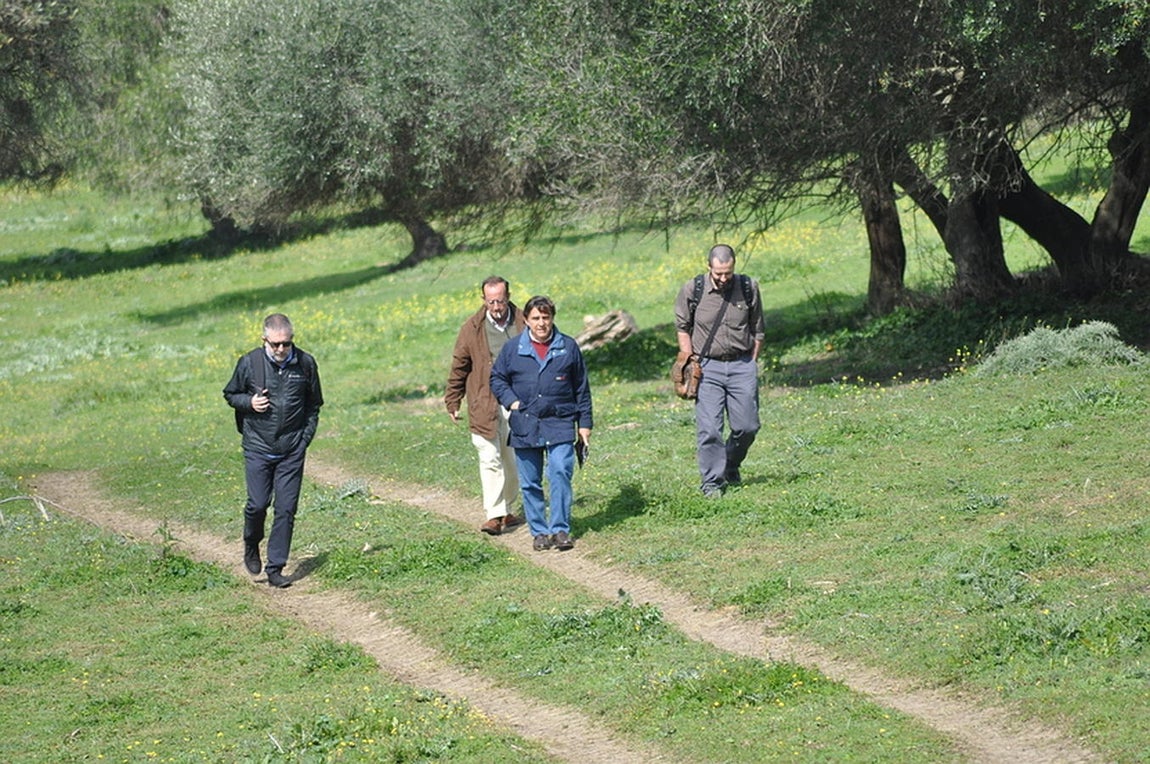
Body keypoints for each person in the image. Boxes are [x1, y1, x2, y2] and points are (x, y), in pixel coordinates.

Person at [223, 314, 323, 588]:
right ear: (264, 340)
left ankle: (276, 567)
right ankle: (251, 542)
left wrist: (304, 440)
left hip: (292, 450)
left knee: (286, 509)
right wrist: (249, 402)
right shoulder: (249, 363)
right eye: (276, 344)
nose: (281, 350)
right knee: (257, 505)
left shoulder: (305, 363)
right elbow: (230, 394)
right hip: (257, 447)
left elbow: (315, 405)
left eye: (286, 344)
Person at [490, 295, 593, 551]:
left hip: (559, 421)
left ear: (552, 318)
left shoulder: (568, 347)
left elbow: (582, 388)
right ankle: (539, 532)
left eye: (546, 317)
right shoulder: (513, 349)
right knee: (530, 481)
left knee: (560, 471)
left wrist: (585, 424)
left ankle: (560, 529)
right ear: (526, 320)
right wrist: (511, 402)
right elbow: (497, 379)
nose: (541, 323)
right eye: (536, 318)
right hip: (525, 423)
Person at [674, 244, 765, 498]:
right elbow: (682, 326)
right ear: (709, 268)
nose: (724, 278)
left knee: (747, 426)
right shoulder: (693, 289)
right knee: (710, 429)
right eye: (718, 274)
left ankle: (731, 463)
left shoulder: (748, 288)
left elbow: (758, 328)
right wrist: (689, 360)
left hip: (741, 364)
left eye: (728, 273)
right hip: (708, 366)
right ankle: (712, 482)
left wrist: (752, 363)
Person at [445, 275, 527, 535]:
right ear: (484, 300)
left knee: (511, 459)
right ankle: (494, 515)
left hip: (515, 400)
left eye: (500, 301)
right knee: (489, 457)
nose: (496, 307)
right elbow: (459, 366)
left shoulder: (524, 321)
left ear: (508, 297)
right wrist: (453, 399)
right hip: (483, 400)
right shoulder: (472, 328)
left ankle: (508, 508)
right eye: (491, 302)